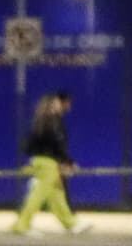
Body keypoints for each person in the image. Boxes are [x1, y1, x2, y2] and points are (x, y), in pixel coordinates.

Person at [12, 89, 84, 234]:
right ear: (53, 104)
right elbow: (57, 145)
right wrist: (68, 162)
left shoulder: (40, 120)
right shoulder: (53, 122)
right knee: (38, 195)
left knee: (57, 194)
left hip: (41, 160)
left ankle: (70, 223)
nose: (61, 105)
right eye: (57, 102)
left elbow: (29, 144)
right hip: (49, 163)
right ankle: (22, 225)